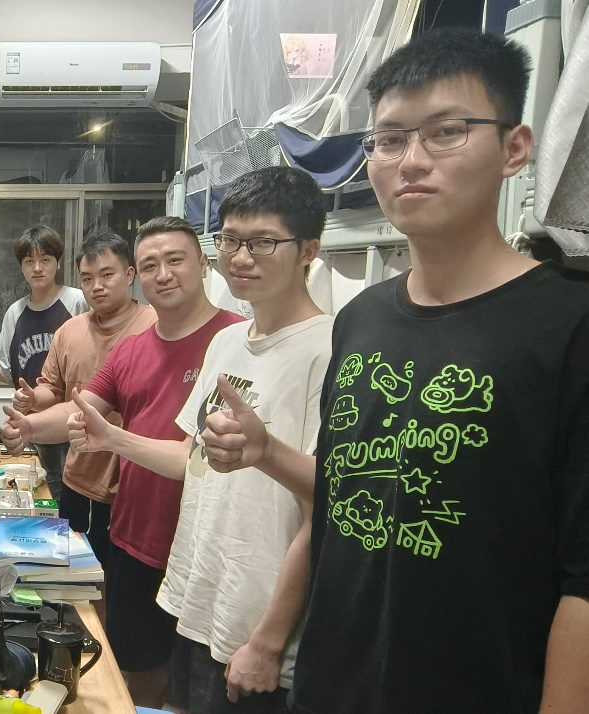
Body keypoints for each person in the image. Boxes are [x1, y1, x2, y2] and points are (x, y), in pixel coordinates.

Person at [200, 28, 589, 714]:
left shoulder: (568, 326)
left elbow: (581, 582)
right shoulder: (362, 319)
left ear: (514, 148)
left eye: (446, 132)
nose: (411, 161)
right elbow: (346, 496)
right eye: (388, 139)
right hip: (331, 686)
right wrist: (267, 453)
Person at [67, 167, 331, 713]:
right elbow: (193, 460)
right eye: (231, 240)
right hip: (201, 598)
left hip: (257, 622)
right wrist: (112, 437)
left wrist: (269, 642)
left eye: (263, 242)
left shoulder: (329, 350)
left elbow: (323, 510)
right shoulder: (228, 343)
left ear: (308, 249)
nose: (241, 257)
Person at [3, 217, 242, 708]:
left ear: (203, 263)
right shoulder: (131, 349)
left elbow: (190, 456)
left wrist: (112, 438)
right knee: (135, 664)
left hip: (208, 543)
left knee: (204, 685)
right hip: (135, 532)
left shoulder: (234, 339)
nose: (163, 274)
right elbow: (81, 410)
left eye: (175, 260)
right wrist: (30, 427)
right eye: (152, 264)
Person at [0, 231, 154, 564]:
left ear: (130, 275)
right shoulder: (69, 330)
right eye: (87, 278)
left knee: (119, 579)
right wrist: (33, 400)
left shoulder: (153, 327)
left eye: (107, 275)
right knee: (73, 574)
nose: (97, 286)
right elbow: (53, 389)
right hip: (79, 476)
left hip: (135, 483)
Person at [0, 224, 87, 502]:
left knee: (72, 501)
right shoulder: (16, 312)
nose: (37, 268)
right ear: (22, 267)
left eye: (45, 259)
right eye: (29, 261)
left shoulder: (77, 302)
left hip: (72, 424)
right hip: (31, 426)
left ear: (57, 262)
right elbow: (4, 369)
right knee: (38, 498)